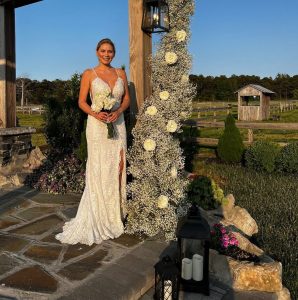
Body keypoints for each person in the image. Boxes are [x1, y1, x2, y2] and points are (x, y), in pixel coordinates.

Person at [56, 38, 130, 245]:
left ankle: (116, 214)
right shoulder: (89, 73)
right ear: (97, 52)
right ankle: (98, 215)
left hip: (118, 123)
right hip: (97, 126)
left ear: (114, 53)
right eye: (103, 51)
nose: (107, 54)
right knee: (99, 167)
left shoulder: (121, 74)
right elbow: (81, 101)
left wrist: (118, 111)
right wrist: (96, 114)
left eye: (110, 51)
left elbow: (126, 100)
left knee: (118, 165)